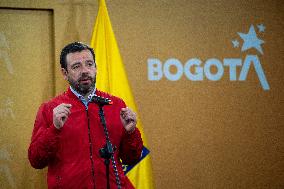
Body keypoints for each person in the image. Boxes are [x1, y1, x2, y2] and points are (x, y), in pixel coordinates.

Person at [28, 42, 143, 189]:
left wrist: (130, 133)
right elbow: (36, 160)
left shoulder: (116, 104)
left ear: (95, 67)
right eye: (76, 66)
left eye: (89, 64)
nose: (85, 71)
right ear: (64, 73)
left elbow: (132, 158)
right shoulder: (50, 109)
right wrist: (54, 129)